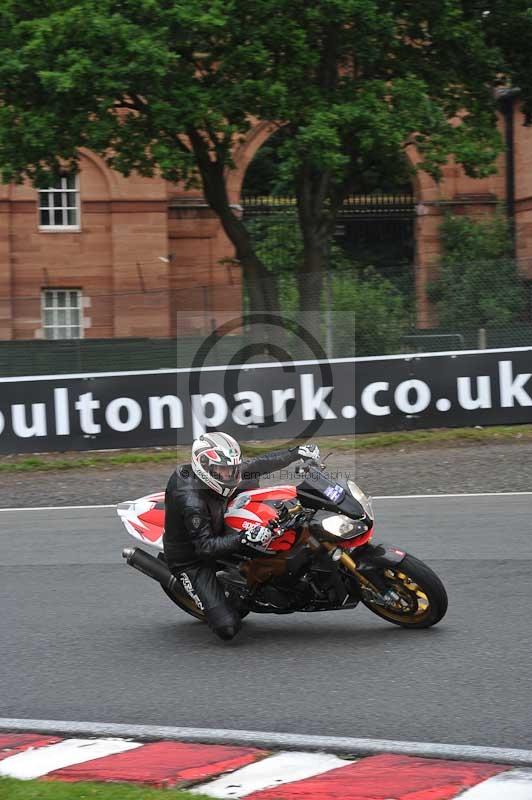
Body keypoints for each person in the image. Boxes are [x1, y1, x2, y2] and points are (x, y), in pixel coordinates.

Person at [163, 431, 320, 641]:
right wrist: (245, 537)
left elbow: (256, 465)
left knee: (262, 509)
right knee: (229, 627)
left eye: (232, 469)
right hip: (192, 558)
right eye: (223, 470)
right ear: (203, 466)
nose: (229, 475)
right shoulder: (192, 503)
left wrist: (296, 453)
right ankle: (184, 584)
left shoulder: (220, 477)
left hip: (218, 520)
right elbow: (206, 548)